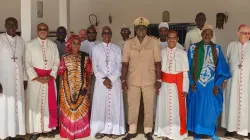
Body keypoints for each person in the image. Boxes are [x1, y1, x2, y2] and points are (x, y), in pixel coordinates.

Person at [187, 25, 231, 140]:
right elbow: (187, 67)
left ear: (212, 36)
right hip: (197, 84)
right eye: (205, 33)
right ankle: (197, 131)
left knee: (211, 110)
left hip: (211, 85)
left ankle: (210, 132)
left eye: (209, 34)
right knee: (197, 107)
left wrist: (217, 85)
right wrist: (191, 82)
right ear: (201, 34)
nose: (207, 35)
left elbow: (222, 69)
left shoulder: (217, 49)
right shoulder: (193, 48)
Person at [121, 17, 161, 140]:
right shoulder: (128, 43)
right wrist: (123, 80)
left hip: (149, 78)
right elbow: (125, 64)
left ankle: (148, 130)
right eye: (138, 28)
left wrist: (158, 79)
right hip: (132, 79)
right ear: (135, 29)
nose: (141, 30)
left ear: (147, 29)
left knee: (149, 105)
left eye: (143, 28)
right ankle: (132, 129)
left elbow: (158, 62)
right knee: (132, 105)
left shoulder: (154, 42)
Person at [25, 23, 60, 140]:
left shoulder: (53, 45)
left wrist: (51, 76)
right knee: (35, 105)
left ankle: (47, 128)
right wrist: (36, 77)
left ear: (48, 31)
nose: (43, 31)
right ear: (37, 31)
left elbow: (56, 62)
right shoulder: (30, 45)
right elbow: (27, 63)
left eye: (45, 29)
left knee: (48, 104)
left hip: (49, 79)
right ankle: (35, 130)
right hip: (35, 81)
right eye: (40, 29)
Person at [90, 26, 125, 139]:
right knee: (101, 106)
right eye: (105, 33)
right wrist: (104, 79)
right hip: (101, 83)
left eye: (109, 33)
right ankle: (101, 129)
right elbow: (95, 67)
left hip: (114, 82)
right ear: (101, 35)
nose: (107, 35)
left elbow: (120, 65)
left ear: (111, 34)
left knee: (115, 105)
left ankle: (115, 129)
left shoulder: (117, 48)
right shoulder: (96, 49)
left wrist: (112, 78)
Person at [154, 30, 189, 140]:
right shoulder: (161, 52)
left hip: (177, 87)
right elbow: (157, 70)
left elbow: (185, 73)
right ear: (167, 38)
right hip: (164, 85)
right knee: (164, 108)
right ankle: (164, 132)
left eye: (174, 38)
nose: (171, 40)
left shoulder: (183, 53)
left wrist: (185, 88)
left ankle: (176, 133)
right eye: (169, 37)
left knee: (176, 110)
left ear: (178, 39)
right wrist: (157, 83)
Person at [57, 35, 92, 139]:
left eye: (78, 43)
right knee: (69, 110)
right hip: (67, 88)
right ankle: (69, 132)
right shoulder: (65, 57)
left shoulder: (85, 57)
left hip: (83, 87)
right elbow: (61, 73)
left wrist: (89, 85)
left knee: (81, 110)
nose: (76, 45)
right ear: (70, 44)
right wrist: (61, 91)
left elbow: (89, 72)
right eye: (74, 43)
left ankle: (80, 132)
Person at [0, 17, 27, 140]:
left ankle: (16, 132)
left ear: (17, 26)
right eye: (9, 25)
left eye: (14, 25)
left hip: (19, 78)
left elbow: (24, 60)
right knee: (6, 104)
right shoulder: (0, 39)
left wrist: (25, 78)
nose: (12, 27)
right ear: (5, 25)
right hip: (4, 80)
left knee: (18, 103)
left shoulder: (21, 41)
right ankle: (5, 133)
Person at [221, 24, 250, 138]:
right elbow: (226, 63)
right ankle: (230, 129)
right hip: (233, 82)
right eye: (244, 33)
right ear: (238, 34)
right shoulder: (231, 45)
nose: (247, 35)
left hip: (247, 82)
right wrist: (224, 79)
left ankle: (247, 129)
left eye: (249, 33)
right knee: (232, 103)